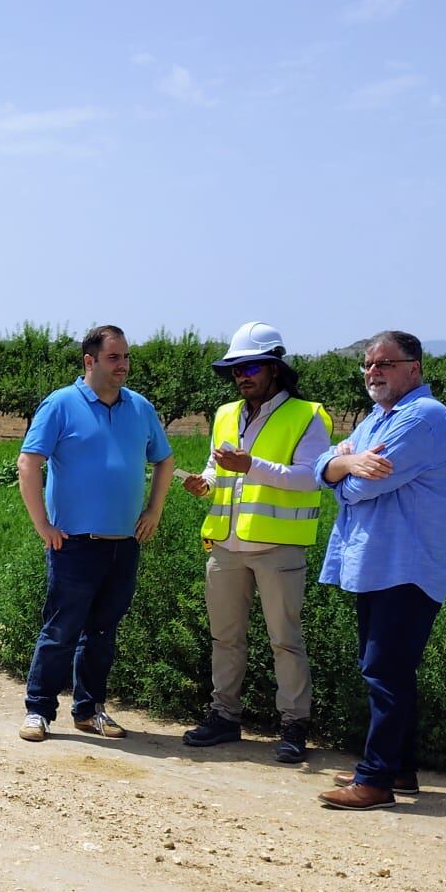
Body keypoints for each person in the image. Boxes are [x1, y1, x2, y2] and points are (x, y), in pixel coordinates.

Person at [312, 331, 446, 811]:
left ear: (414, 368)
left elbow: (360, 489)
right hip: (377, 564)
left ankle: (375, 782)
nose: (373, 372)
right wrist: (345, 463)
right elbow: (323, 467)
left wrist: (343, 467)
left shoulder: (423, 417)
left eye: (385, 364)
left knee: (384, 671)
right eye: (369, 365)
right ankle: (399, 769)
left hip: (405, 566)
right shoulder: (379, 418)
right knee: (391, 671)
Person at [180, 322, 330, 764]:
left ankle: (293, 725)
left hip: (277, 547)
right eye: (235, 369)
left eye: (250, 367)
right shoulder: (226, 414)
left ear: (275, 369)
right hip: (226, 546)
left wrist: (252, 465)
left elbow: (310, 478)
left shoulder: (308, 416)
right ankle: (225, 716)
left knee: (285, 640)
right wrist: (204, 485)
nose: (241, 376)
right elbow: (216, 467)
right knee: (224, 638)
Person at [17, 325, 175, 742]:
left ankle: (90, 710)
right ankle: (39, 711)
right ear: (90, 361)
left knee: (103, 633)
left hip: (124, 544)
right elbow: (28, 463)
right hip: (73, 543)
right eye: (113, 358)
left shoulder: (140, 408)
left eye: (125, 357)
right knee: (61, 629)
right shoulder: (61, 405)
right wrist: (43, 524)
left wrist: (154, 511)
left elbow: (165, 461)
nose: (122, 365)